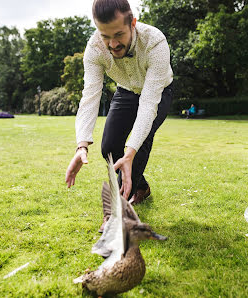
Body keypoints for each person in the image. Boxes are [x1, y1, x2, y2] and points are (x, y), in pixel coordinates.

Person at [65, 0, 173, 230]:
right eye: (105, 36)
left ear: (132, 23)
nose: (112, 44)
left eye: (118, 35)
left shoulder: (155, 42)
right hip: (125, 90)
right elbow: (90, 97)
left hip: (158, 92)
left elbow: (148, 104)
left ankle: (118, 212)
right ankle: (141, 187)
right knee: (109, 146)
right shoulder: (94, 49)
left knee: (138, 145)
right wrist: (81, 145)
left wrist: (131, 151)